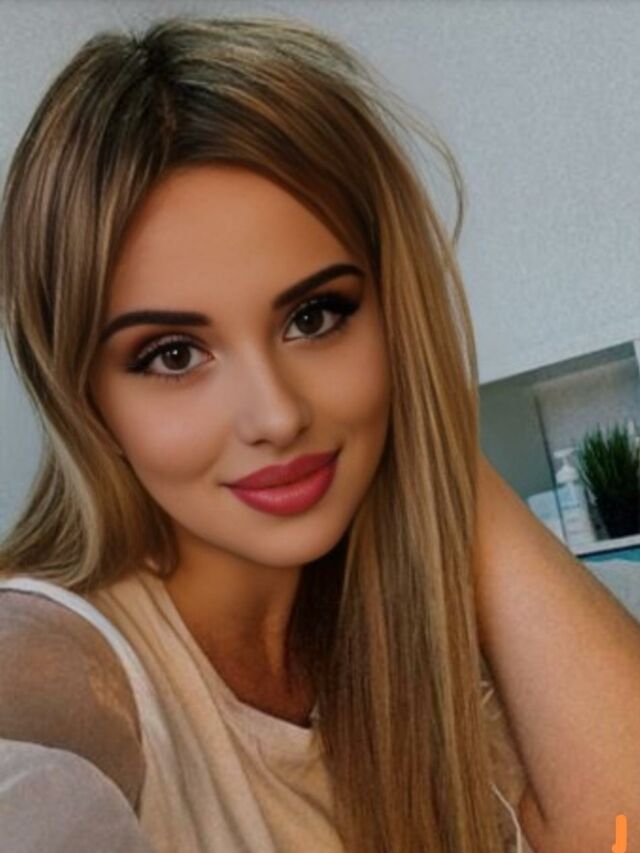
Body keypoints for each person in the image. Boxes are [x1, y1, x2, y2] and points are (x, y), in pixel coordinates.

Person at [2, 13, 639, 853]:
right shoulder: (63, 664)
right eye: (173, 353)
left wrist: (424, 427)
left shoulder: (421, 636)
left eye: (315, 315)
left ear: (394, 311)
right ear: (84, 397)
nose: (276, 415)